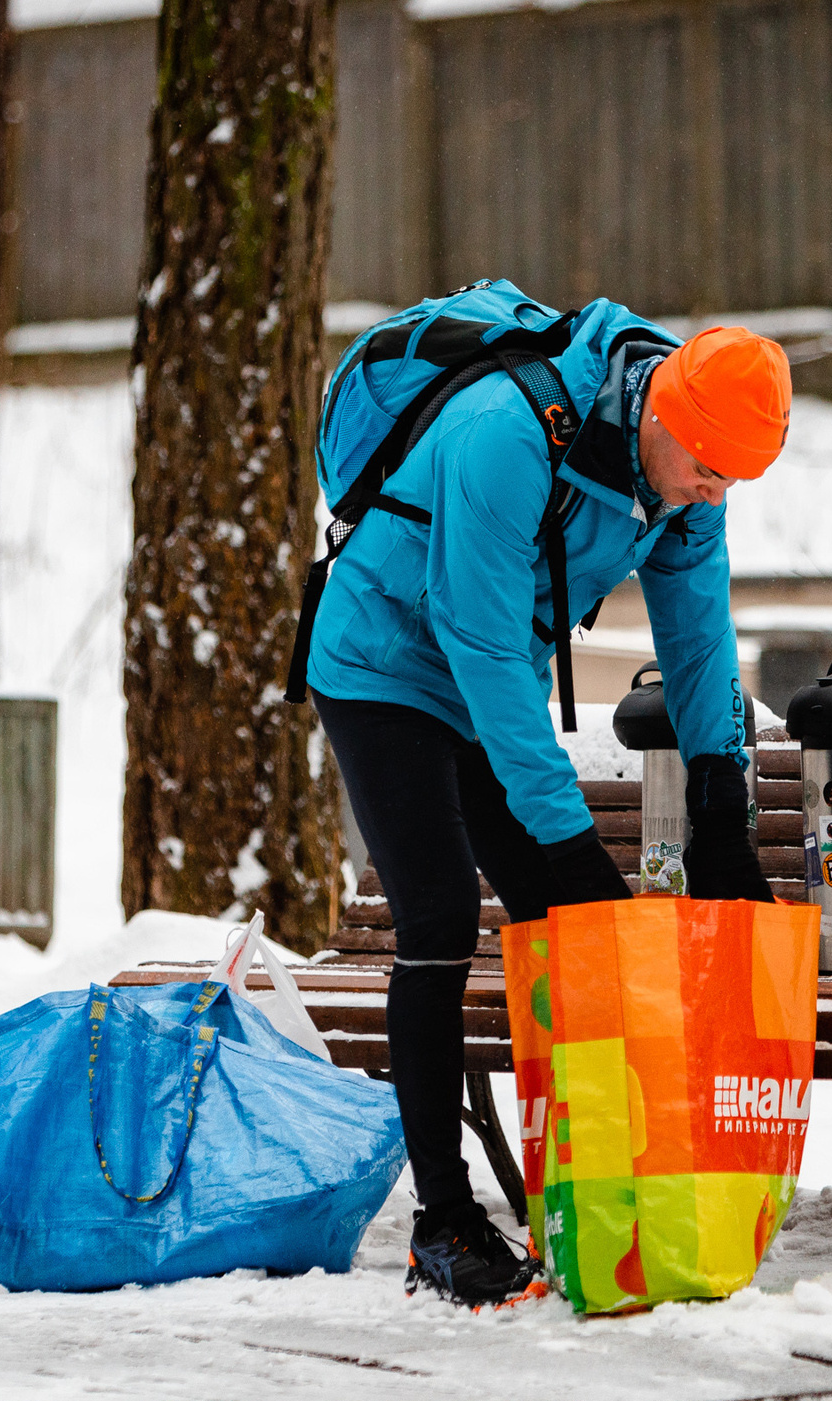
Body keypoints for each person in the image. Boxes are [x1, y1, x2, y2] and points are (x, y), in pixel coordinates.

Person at [305, 313, 789, 1308]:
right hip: (383, 665)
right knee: (438, 918)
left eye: (734, 478)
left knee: (567, 926)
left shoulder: (686, 479)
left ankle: (577, 1185)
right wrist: (567, 837)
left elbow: (698, 641)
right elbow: (476, 643)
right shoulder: (506, 432)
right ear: (662, 412)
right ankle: (441, 1223)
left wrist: (721, 807)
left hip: (489, 679)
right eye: (706, 467)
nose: (714, 491)